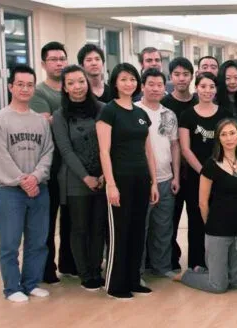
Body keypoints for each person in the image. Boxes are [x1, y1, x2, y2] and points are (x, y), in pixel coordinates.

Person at [0, 64, 54, 302]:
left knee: (38, 241)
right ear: (10, 87)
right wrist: (22, 180)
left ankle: (31, 282)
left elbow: (48, 152)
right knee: (9, 242)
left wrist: (35, 177)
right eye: (20, 84)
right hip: (9, 191)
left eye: (29, 85)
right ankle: (12, 288)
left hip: (39, 188)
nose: (25, 89)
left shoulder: (40, 121)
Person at [96, 62, 160, 299]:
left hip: (141, 179)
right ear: (115, 82)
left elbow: (149, 151)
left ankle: (133, 279)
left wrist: (154, 182)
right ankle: (114, 284)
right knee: (119, 233)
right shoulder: (109, 111)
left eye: (132, 79)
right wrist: (111, 184)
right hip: (120, 180)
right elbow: (104, 151)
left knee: (136, 232)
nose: (129, 83)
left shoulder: (141, 113)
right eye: (123, 79)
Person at [175, 118, 237, 293]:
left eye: (232, 133)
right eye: (223, 134)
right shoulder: (211, 165)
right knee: (218, 286)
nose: (228, 138)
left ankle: (205, 271)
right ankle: (187, 275)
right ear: (218, 139)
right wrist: (210, 226)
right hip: (218, 230)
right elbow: (203, 202)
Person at [51, 65, 107, 291]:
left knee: (98, 228)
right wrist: (86, 177)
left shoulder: (102, 109)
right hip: (75, 180)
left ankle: (96, 268)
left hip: (103, 178)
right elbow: (66, 150)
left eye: (81, 81)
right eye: (71, 83)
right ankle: (85, 273)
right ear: (64, 88)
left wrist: (103, 174)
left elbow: (108, 144)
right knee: (80, 228)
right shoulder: (60, 115)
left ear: (88, 82)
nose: (77, 87)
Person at [30, 41, 77, 284]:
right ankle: (46, 270)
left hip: (73, 167)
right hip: (50, 165)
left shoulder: (72, 88)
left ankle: (69, 264)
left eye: (62, 58)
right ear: (43, 64)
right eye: (53, 59)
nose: (59, 63)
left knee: (70, 219)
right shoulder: (39, 93)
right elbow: (46, 125)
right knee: (47, 222)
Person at [179, 72, 232, 271]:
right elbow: (185, 149)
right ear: (197, 88)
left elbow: (231, 144)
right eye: (203, 86)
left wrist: (218, 173)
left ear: (216, 89)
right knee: (196, 219)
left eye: (211, 86)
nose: (207, 90)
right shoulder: (187, 115)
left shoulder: (224, 114)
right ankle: (197, 262)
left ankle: (219, 262)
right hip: (196, 176)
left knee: (220, 217)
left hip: (222, 176)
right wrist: (204, 172)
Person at [135, 68, 180, 279]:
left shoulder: (168, 114)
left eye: (159, 85)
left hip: (165, 178)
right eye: (150, 84)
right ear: (142, 86)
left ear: (165, 87)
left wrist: (176, 176)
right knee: (139, 227)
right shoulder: (133, 111)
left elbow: (174, 146)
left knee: (163, 227)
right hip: (141, 180)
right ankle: (137, 270)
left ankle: (162, 267)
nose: (155, 88)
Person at [161, 57, 198, 270]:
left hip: (194, 172)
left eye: (185, 74)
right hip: (170, 171)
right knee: (170, 219)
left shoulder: (198, 101)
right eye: (177, 74)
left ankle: (196, 261)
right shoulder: (165, 105)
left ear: (192, 76)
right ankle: (170, 260)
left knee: (195, 218)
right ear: (171, 77)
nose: (181, 78)